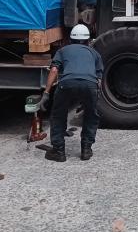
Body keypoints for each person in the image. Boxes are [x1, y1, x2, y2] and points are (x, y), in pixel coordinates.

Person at [41, 24, 103, 162]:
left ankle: (58, 151)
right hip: (90, 84)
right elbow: (99, 79)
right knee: (91, 115)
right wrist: (93, 97)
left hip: (66, 83)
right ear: (88, 41)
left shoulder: (63, 50)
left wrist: (46, 93)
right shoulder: (94, 53)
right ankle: (86, 150)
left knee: (58, 115)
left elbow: (54, 70)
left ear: (70, 39)